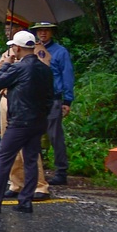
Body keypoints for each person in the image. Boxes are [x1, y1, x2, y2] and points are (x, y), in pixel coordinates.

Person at [0, 30, 55, 213]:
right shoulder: (45, 69)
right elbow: (49, 96)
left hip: (19, 120)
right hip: (38, 120)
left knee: (3, 159)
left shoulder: (18, 67)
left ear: (18, 48)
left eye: (13, 46)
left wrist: (6, 63)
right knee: (30, 159)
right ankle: (26, 200)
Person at [32, 22, 76, 185]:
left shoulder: (60, 51)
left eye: (46, 30)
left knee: (55, 135)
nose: (43, 33)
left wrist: (67, 100)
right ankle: (38, 169)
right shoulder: (32, 50)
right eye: (40, 30)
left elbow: (67, 75)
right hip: (35, 98)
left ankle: (61, 171)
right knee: (34, 135)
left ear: (52, 32)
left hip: (53, 98)